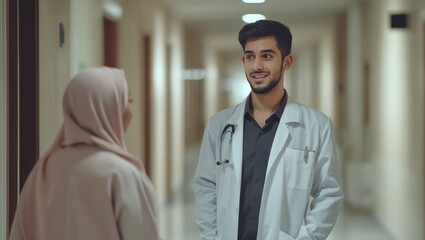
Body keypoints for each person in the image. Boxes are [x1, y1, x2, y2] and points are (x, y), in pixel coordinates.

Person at [194, 20, 343, 240]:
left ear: (287, 61)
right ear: (243, 60)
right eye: (250, 57)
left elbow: (328, 193)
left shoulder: (316, 126)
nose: (256, 66)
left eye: (267, 56)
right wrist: (211, 236)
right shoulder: (219, 125)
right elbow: (206, 187)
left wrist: (307, 237)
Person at [9, 67, 159, 240]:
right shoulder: (120, 174)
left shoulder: (42, 171)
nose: (130, 110)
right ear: (107, 107)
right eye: (127, 100)